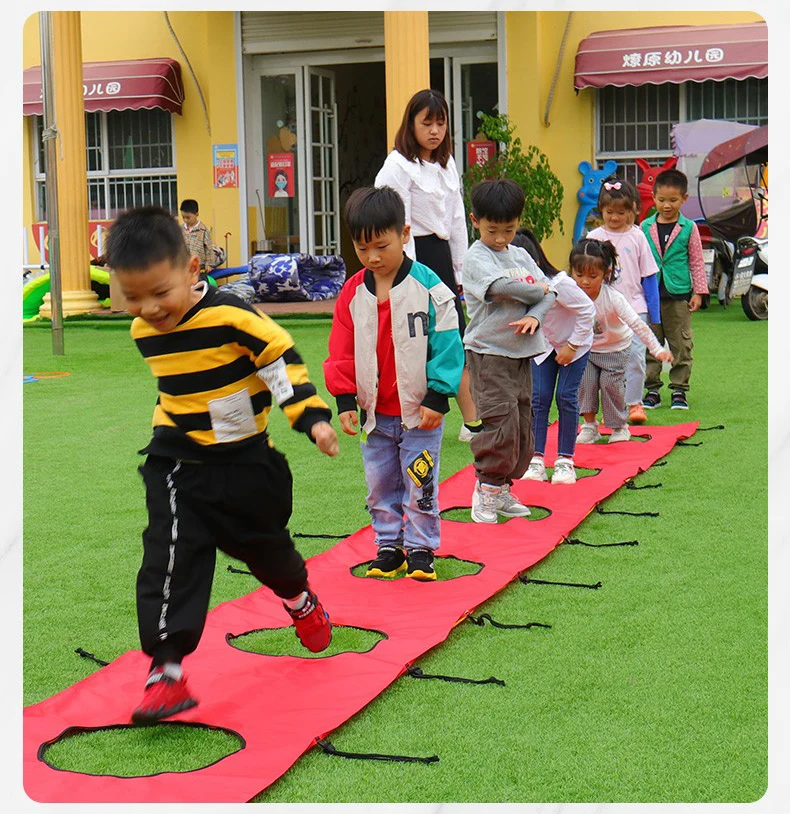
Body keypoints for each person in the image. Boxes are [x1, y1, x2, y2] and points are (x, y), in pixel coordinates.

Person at [105, 206, 339, 725]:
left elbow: (280, 366)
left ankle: (299, 598)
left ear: (192, 269)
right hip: (178, 458)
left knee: (264, 547)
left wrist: (312, 418)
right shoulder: (143, 331)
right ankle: (165, 671)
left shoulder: (235, 317)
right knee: (170, 553)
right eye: (134, 297)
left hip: (245, 461)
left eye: (159, 293)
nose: (149, 309)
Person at [323, 186, 464, 581]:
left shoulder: (430, 287)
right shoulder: (351, 293)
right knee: (379, 486)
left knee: (420, 480)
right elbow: (341, 348)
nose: (372, 257)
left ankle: (421, 549)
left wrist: (438, 396)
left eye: (381, 246)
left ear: (404, 234)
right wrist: (345, 400)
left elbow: (449, 343)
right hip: (375, 415)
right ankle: (389, 546)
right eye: (362, 248)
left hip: (420, 412)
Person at [374, 88, 480, 443]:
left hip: (442, 259)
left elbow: (457, 221)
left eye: (441, 123)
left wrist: (461, 272)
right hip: (411, 257)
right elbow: (393, 221)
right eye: (427, 123)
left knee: (454, 337)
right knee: (415, 342)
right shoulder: (397, 165)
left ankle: (472, 422)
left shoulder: (447, 164)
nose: (435, 131)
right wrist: (409, 275)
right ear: (411, 124)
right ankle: (407, 417)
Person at [461, 179, 556, 524]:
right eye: (492, 230)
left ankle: (501, 489)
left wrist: (534, 313)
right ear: (475, 221)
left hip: (521, 354)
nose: (501, 238)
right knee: (499, 424)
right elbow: (500, 287)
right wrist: (538, 289)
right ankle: (485, 489)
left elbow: (550, 295)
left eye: (509, 229)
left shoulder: (520, 254)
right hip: (490, 353)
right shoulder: (475, 257)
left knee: (521, 426)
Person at [571, 239, 673, 446]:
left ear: (605, 274)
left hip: (616, 348)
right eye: (579, 275)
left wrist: (657, 349)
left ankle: (619, 426)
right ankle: (590, 426)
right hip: (587, 350)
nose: (585, 282)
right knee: (586, 383)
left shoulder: (613, 298)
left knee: (610, 385)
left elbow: (636, 323)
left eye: (593, 276)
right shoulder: (570, 295)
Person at [515, 228, 596, 486]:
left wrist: (572, 346)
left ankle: (565, 461)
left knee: (565, 396)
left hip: (575, 344)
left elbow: (587, 310)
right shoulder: (517, 286)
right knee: (538, 398)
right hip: (544, 347)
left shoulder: (560, 284)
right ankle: (536, 460)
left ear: (534, 261)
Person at [585, 176, 660, 425]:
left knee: (636, 356)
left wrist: (654, 314)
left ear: (631, 211)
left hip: (635, 308)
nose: (614, 218)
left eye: (621, 212)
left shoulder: (638, 237)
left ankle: (634, 403)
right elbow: (582, 273)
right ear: (601, 210)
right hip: (601, 310)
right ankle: (600, 408)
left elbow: (648, 276)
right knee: (600, 359)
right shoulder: (593, 237)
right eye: (609, 212)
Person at [640, 168, 709, 410]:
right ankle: (652, 390)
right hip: (649, 295)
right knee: (651, 342)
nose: (666, 205)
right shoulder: (644, 226)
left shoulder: (689, 228)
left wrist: (698, 292)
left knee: (681, 344)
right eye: (661, 200)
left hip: (678, 294)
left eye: (673, 200)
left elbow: (697, 261)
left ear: (684, 199)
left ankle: (679, 390)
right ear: (653, 196)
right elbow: (639, 260)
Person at [179, 198, 215, 277]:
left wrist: (209, 263)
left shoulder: (203, 230)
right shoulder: (181, 230)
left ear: (196, 214)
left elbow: (209, 248)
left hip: (199, 266)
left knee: (200, 284)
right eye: (183, 217)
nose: (185, 220)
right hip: (184, 265)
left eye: (188, 217)